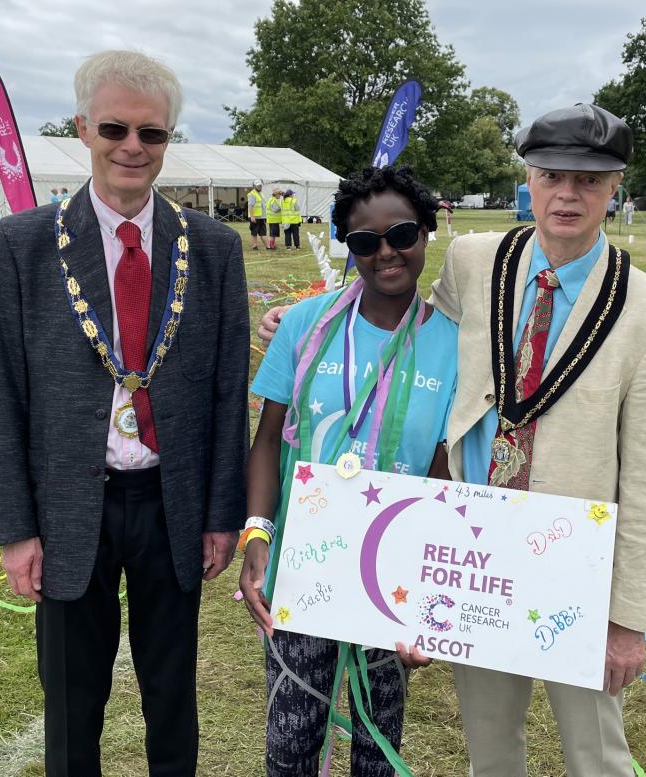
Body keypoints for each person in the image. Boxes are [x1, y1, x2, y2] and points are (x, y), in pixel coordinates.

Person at [258, 104, 646, 777]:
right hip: (474, 551)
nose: (567, 194)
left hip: (571, 563)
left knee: (596, 753)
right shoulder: (473, 259)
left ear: (616, 187)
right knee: (489, 750)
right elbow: (403, 318)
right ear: (528, 179)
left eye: (589, 180)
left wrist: (629, 618)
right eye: (550, 175)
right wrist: (311, 318)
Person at [0, 50, 249, 777]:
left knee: (172, 695)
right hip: (72, 506)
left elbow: (230, 392)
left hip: (171, 503)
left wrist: (222, 514)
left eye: (151, 133)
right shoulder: (24, 245)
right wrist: (16, 529)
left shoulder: (216, 249)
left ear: (169, 139)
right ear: (83, 129)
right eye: (114, 127)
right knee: (72, 701)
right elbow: (2, 396)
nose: (132, 146)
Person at [240, 166, 457, 776]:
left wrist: (433, 593)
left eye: (401, 234)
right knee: (290, 742)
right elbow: (266, 439)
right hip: (303, 562)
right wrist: (258, 533)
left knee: (377, 746)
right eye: (365, 241)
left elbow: (443, 473)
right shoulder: (304, 326)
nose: (385, 251)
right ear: (348, 246)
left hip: (394, 570)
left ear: (425, 234)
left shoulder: (452, 343)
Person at [248, 178, 267, 250]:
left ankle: (268, 246)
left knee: (263, 233)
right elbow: (250, 205)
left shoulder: (261, 193)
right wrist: (252, 216)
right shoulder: (252, 194)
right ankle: (254, 246)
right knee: (254, 232)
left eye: (260, 186)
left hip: (261, 217)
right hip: (255, 217)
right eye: (258, 186)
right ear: (254, 186)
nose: (260, 187)